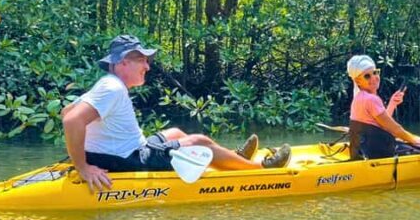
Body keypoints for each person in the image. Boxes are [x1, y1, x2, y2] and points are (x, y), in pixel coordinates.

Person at [62, 35, 291, 192]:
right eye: (142, 60)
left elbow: (66, 112)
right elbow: (72, 120)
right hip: (129, 159)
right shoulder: (111, 87)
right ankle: (261, 169)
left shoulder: (107, 83)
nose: (148, 66)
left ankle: (236, 159)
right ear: (123, 63)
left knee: (175, 132)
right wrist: (83, 167)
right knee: (199, 144)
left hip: (126, 150)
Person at [346, 55, 420, 160]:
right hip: (378, 154)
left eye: (375, 72)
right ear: (357, 81)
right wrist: (415, 140)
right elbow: (394, 129)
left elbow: (381, 124)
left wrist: (392, 103)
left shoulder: (358, 98)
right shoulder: (371, 99)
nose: (374, 78)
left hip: (364, 152)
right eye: (367, 76)